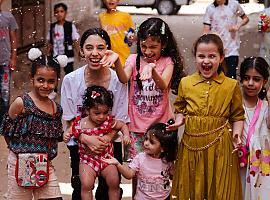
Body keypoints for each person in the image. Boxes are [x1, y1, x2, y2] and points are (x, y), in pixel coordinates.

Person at [169, 34, 244, 200]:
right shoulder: (186, 83)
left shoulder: (231, 86)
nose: (206, 61)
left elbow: (238, 116)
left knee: (221, 190)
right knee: (192, 189)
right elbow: (180, 109)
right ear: (195, 57)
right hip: (191, 145)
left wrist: (237, 135)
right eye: (201, 56)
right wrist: (179, 120)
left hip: (221, 145)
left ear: (221, 57)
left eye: (212, 56)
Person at [61, 28, 129, 200]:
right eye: (89, 48)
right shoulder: (70, 80)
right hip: (80, 146)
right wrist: (85, 138)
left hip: (111, 146)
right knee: (81, 187)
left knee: (110, 189)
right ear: (81, 51)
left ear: (108, 50)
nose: (95, 53)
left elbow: (120, 118)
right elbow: (69, 119)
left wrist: (106, 139)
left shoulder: (118, 81)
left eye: (100, 48)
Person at [113, 17, 185, 160]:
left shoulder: (167, 62)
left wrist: (152, 70)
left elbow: (163, 84)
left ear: (163, 44)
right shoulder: (133, 60)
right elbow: (123, 79)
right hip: (136, 127)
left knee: (161, 167)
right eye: (143, 46)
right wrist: (116, 61)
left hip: (161, 127)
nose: (147, 51)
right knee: (137, 169)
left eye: (153, 47)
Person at [0, 48, 66, 199]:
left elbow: (53, 139)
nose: (45, 85)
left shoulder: (56, 109)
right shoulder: (21, 103)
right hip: (20, 162)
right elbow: (6, 129)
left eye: (51, 81)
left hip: (44, 164)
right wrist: (18, 153)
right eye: (40, 80)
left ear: (57, 81)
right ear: (32, 78)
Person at [63, 85, 131, 200]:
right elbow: (72, 130)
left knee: (114, 182)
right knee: (86, 185)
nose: (101, 117)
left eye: (105, 112)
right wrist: (67, 134)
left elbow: (122, 125)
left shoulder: (109, 122)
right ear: (87, 110)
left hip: (106, 158)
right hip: (87, 160)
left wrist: (126, 135)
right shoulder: (81, 123)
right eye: (97, 113)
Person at [103, 121, 178, 200]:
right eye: (146, 139)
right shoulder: (140, 158)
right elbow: (129, 175)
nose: (146, 143)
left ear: (163, 148)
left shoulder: (167, 161)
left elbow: (173, 176)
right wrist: (117, 164)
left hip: (164, 198)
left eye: (151, 142)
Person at [239, 57, 270, 200]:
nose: (250, 83)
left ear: (264, 81)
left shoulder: (265, 106)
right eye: (246, 78)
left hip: (259, 167)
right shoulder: (235, 104)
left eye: (256, 79)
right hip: (238, 163)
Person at [203, 0, 249, 79]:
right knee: (217, 77)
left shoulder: (234, 5)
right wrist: (205, 41)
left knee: (231, 77)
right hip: (216, 49)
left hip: (232, 48)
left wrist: (237, 26)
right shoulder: (210, 9)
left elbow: (245, 18)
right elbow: (206, 30)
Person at [46, 2, 80, 75]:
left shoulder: (70, 26)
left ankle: (69, 86)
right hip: (55, 55)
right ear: (54, 14)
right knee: (54, 73)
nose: (59, 14)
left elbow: (75, 40)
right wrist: (47, 54)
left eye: (61, 11)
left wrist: (79, 53)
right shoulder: (52, 27)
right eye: (56, 12)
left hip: (68, 55)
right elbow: (49, 42)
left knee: (69, 74)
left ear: (66, 13)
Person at [99, 0, 135, 67]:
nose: (111, 0)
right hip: (108, 57)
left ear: (118, 1)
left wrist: (130, 39)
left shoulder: (125, 16)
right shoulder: (101, 17)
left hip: (123, 57)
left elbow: (132, 34)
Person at [0, 0, 18, 123]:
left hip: (5, 62)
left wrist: (13, 57)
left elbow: (13, 39)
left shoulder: (8, 17)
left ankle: (3, 121)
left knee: (5, 93)